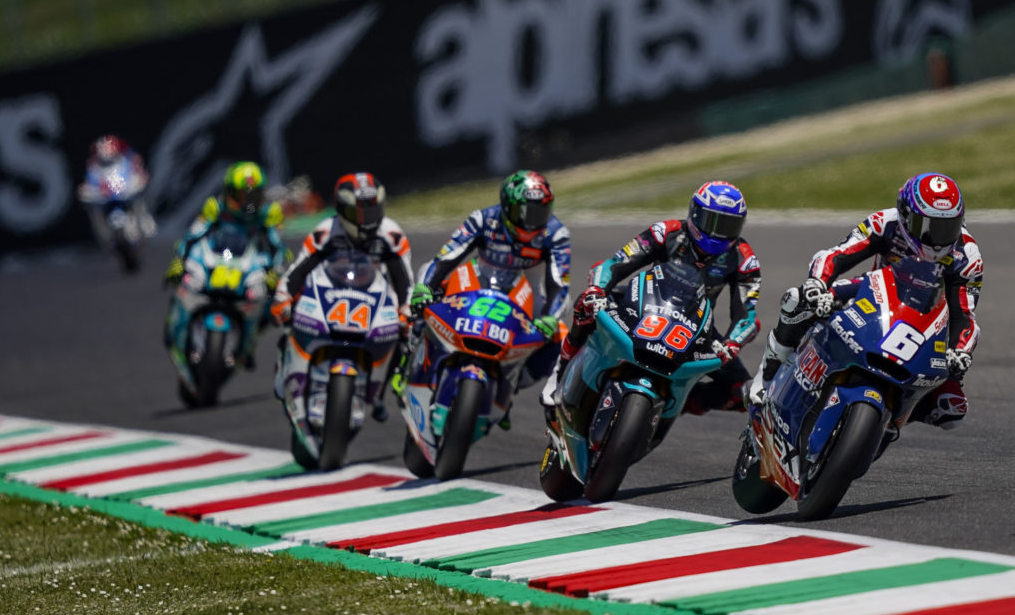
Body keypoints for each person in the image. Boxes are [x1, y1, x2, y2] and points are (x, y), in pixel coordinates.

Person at [748, 172, 982, 431]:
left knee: (952, 408)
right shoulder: (885, 223)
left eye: (946, 227)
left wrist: (960, 352)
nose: (937, 239)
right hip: (874, 293)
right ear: (905, 215)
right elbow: (836, 255)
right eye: (927, 226)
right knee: (797, 299)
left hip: (926, 323)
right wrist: (817, 284)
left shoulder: (967, 255)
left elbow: (964, 315)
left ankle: (890, 420)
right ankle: (767, 375)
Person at [540, 180, 761, 419]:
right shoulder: (666, 232)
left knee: (741, 393)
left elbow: (746, 314)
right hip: (641, 303)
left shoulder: (743, 259)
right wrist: (597, 289)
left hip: (696, 327)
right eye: (713, 222)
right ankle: (560, 372)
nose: (719, 233)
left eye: (729, 225)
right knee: (586, 304)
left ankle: (680, 400)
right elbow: (615, 264)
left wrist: (732, 343)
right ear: (695, 214)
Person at [408, 170, 572, 429]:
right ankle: (409, 356)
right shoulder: (483, 219)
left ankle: (509, 387)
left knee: (560, 337)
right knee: (424, 285)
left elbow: (559, 283)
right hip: (474, 280)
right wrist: (425, 288)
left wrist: (551, 317)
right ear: (508, 207)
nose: (535, 222)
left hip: (522, 291)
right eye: (528, 213)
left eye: (541, 212)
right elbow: (448, 255)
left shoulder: (555, 233)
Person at [270, 172, 414, 421]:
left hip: (373, 293)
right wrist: (283, 296)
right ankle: (289, 368)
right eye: (358, 213)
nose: (366, 220)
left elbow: (404, 279)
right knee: (289, 317)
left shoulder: (391, 234)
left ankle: (379, 393)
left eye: (371, 211)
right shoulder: (326, 230)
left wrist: (406, 310)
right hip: (329, 290)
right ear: (342, 210)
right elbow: (299, 270)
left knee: (405, 335)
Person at [165, 160, 289, 368]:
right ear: (230, 192)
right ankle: (176, 328)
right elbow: (193, 236)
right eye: (243, 196)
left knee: (273, 302)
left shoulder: (270, 212)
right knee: (186, 284)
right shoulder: (215, 207)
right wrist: (179, 259)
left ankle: (249, 342)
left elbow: (277, 246)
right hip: (217, 256)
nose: (248, 203)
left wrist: (276, 271)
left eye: (254, 196)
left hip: (251, 260)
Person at [77, 135, 156, 251]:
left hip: (125, 194)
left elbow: (136, 172)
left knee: (139, 201)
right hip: (105, 200)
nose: (106, 156)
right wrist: (88, 191)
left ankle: (145, 223)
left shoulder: (126, 160)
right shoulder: (93, 166)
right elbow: (89, 183)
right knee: (94, 211)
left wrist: (139, 178)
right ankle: (104, 236)